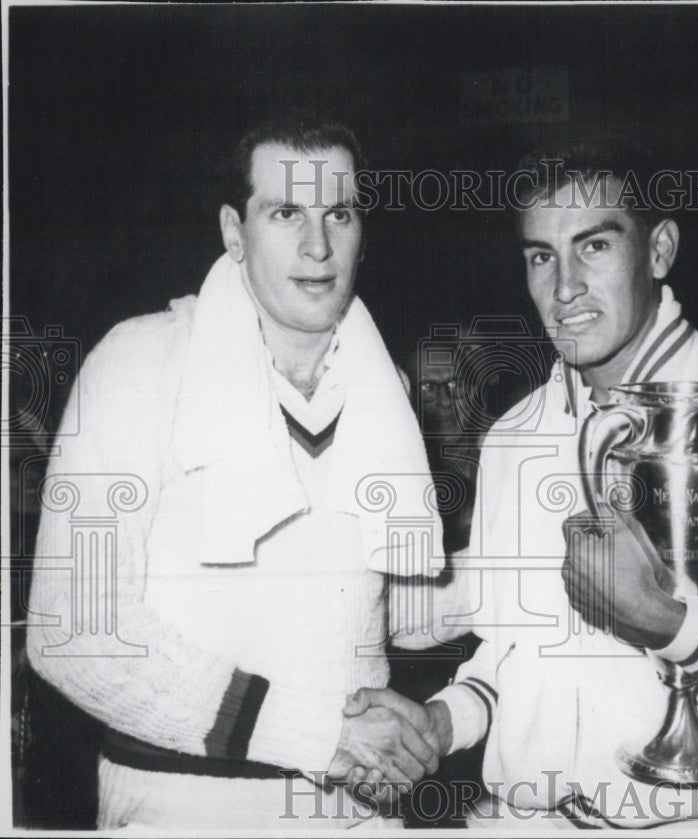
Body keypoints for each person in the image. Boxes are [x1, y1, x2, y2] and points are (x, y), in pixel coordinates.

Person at [350, 139, 698, 828]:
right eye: (541, 255)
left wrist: (679, 627)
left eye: (594, 246)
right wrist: (441, 721)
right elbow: (514, 654)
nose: (563, 286)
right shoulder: (513, 436)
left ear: (659, 251)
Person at [26, 113, 446, 829]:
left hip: (358, 809)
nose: (318, 246)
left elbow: (390, 609)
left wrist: (560, 571)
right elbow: (74, 632)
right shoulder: (139, 364)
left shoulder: (380, 388)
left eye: (338, 213)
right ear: (232, 230)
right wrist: (323, 734)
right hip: (187, 802)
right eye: (286, 212)